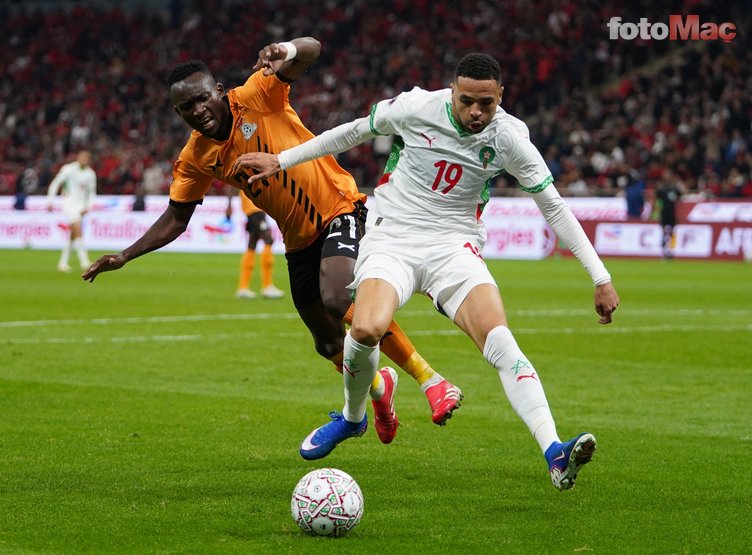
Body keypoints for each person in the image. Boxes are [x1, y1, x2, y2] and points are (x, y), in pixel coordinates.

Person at [234, 53, 621, 490]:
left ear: (501, 96)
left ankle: (554, 453)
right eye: (466, 101)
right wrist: (282, 160)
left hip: (454, 247)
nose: (476, 112)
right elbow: (353, 132)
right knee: (365, 329)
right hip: (393, 237)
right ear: (452, 91)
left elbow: (553, 206)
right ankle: (353, 418)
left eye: (487, 103)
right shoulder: (416, 107)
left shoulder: (510, 137)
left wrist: (600, 276)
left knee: (500, 339)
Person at [82, 37, 462, 446]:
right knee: (327, 342)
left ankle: (431, 380)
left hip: (340, 208)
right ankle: (378, 390)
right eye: (186, 107)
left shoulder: (257, 95)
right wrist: (125, 255)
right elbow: (177, 217)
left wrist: (288, 49)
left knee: (338, 297)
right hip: (297, 241)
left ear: (218, 91)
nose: (197, 110)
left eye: (202, 98)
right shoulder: (196, 157)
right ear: (178, 112)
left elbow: (313, 49)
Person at [226, 187, 284, 299]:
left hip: (255, 207)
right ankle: (267, 286)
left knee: (252, 244)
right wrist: (228, 206)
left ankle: (243, 287)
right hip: (254, 208)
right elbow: (232, 187)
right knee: (268, 240)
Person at [47, 150, 97, 272]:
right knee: (78, 228)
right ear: (78, 158)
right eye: (82, 157)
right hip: (69, 203)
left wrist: (88, 207)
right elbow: (55, 183)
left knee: (73, 234)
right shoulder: (68, 169)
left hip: (81, 206)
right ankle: (84, 262)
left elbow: (91, 192)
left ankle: (63, 263)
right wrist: (50, 200)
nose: (84, 160)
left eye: (86, 158)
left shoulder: (90, 174)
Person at [655, 169, 683, 259]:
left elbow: (680, 201)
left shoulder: (675, 189)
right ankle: (664, 252)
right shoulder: (661, 189)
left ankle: (671, 251)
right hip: (664, 214)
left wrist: (679, 214)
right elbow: (657, 201)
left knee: (672, 233)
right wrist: (656, 213)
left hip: (672, 214)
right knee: (664, 233)